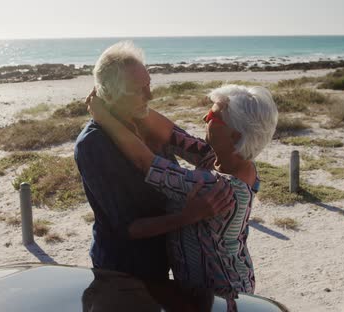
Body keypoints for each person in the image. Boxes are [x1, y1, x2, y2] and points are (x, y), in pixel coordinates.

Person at [87, 82, 278, 311]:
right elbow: (171, 133)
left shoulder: (219, 187)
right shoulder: (228, 161)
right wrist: (121, 101)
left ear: (234, 134)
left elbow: (146, 162)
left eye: (213, 117)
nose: (205, 119)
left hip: (220, 294)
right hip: (208, 286)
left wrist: (103, 117)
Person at [74, 41, 230, 287]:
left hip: (163, 259)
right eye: (138, 90)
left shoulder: (147, 120)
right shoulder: (93, 144)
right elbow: (127, 228)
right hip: (123, 271)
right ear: (110, 94)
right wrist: (189, 215)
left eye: (149, 85)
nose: (150, 96)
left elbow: (205, 154)